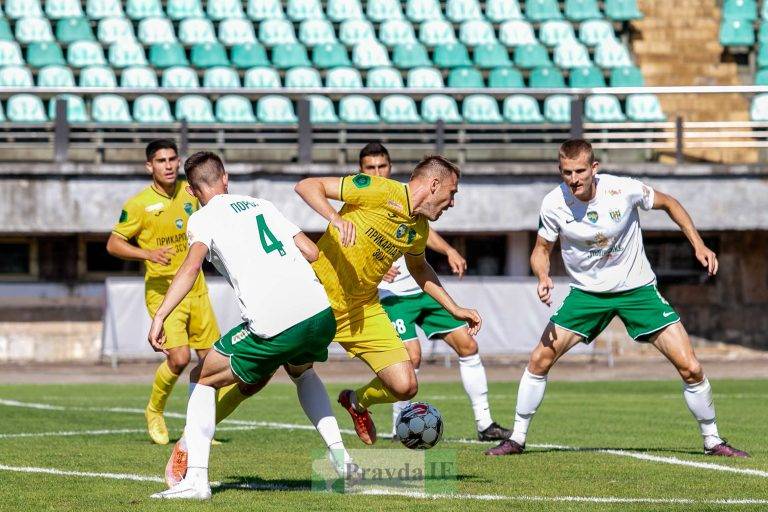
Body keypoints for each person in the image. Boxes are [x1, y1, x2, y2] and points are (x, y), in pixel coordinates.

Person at [485, 139, 749, 458]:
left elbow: (670, 203)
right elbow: (540, 251)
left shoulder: (623, 189)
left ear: (594, 168)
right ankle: (517, 438)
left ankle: (713, 441)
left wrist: (698, 244)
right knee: (539, 360)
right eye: (566, 172)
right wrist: (542, 276)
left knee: (690, 366)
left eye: (580, 171)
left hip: (636, 290)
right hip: (587, 295)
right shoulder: (553, 204)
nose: (574, 179)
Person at [148, 152, 353, 499]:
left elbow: (189, 268)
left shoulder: (202, 218)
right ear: (225, 179)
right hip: (319, 311)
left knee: (201, 376)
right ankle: (342, 460)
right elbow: (311, 251)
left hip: (275, 321)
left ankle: (196, 480)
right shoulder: (262, 204)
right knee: (303, 372)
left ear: (194, 192)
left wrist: (160, 314)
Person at [295, 155, 482, 445]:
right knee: (257, 373)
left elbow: (419, 268)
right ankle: (197, 438)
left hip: (362, 310)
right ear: (434, 184)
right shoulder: (380, 189)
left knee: (406, 386)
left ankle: (356, 402)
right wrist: (335, 217)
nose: (452, 202)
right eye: (452, 193)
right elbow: (307, 185)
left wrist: (454, 308)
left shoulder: (418, 228)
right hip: (316, 298)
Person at [357, 143, 510, 441]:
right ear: (361, 171)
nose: (377, 172)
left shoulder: (407, 195)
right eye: (370, 168)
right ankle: (400, 424)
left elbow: (423, 231)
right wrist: (372, 265)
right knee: (411, 358)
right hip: (390, 296)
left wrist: (449, 249)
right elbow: (346, 239)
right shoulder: (363, 200)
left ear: (390, 167)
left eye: (382, 166)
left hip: (420, 287)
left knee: (467, 345)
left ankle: (485, 424)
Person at [107, 139, 222, 445]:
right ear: (150, 166)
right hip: (162, 291)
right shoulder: (138, 204)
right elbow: (113, 243)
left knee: (213, 361)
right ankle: (154, 410)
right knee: (179, 358)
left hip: (195, 288)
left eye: (173, 159)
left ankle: (199, 429)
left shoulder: (190, 191)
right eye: (161, 161)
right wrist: (147, 254)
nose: (169, 166)